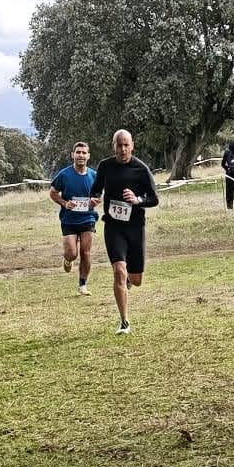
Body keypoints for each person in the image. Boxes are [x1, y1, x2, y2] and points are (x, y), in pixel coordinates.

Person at [91, 129, 159, 334]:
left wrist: (137, 200)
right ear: (114, 146)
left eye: (126, 145)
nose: (122, 149)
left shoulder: (141, 169)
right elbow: (95, 189)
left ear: (132, 146)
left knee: (136, 280)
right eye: (119, 145)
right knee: (119, 271)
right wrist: (94, 198)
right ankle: (124, 322)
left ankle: (130, 279)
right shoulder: (105, 166)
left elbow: (154, 199)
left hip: (135, 227)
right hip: (113, 227)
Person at [49, 140, 99, 293]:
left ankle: (82, 285)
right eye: (78, 152)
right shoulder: (64, 174)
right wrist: (65, 203)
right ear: (73, 155)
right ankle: (67, 259)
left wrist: (95, 201)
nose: (81, 155)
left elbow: (100, 195)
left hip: (88, 218)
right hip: (69, 219)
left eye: (84, 153)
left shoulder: (94, 175)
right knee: (72, 253)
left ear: (88, 156)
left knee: (86, 252)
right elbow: (53, 193)